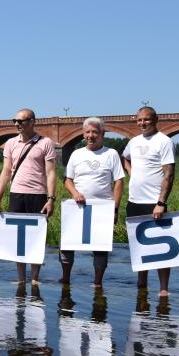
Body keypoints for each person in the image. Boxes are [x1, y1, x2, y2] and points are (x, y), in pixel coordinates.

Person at [0, 108, 57, 286]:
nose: (16, 124)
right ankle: (21, 278)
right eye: (15, 121)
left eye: (21, 121)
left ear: (32, 121)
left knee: (36, 236)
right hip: (16, 194)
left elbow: (51, 173)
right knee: (16, 237)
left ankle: (35, 278)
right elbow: (5, 172)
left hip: (38, 195)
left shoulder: (45, 143)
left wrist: (51, 199)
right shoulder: (11, 143)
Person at [59, 117, 125, 287]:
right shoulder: (76, 154)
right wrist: (74, 193)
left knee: (100, 248)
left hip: (102, 208)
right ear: (83, 134)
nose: (90, 135)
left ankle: (97, 282)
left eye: (94, 132)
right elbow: (67, 179)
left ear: (102, 133)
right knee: (67, 244)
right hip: (77, 207)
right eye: (87, 132)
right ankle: (65, 278)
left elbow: (119, 182)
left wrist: (115, 209)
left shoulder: (111, 154)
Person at [122, 106, 176, 296]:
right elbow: (125, 158)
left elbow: (169, 175)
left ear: (155, 120)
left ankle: (163, 289)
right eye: (139, 120)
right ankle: (141, 283)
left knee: (160, 246)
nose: (142, 123)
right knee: (139, 246)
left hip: (153, 202)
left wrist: (161, 202)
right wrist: (131, 172)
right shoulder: (133, 142)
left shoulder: (164, 141)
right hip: (134, 201)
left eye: (146, 120)